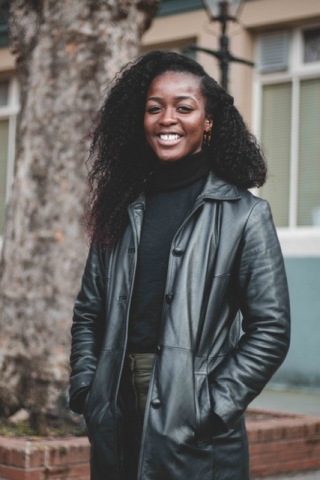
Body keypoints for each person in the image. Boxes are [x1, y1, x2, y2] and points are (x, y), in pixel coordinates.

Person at [69, 50, 290, 480]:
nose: (167, 119)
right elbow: (88, 312)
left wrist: (212, 407)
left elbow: (270, 328)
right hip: (114, 405)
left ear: (207, 121)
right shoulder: (119, 207)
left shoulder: (244, 215)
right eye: (155, 108)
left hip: (195, 412)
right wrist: (85, 388)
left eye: (183, 107)